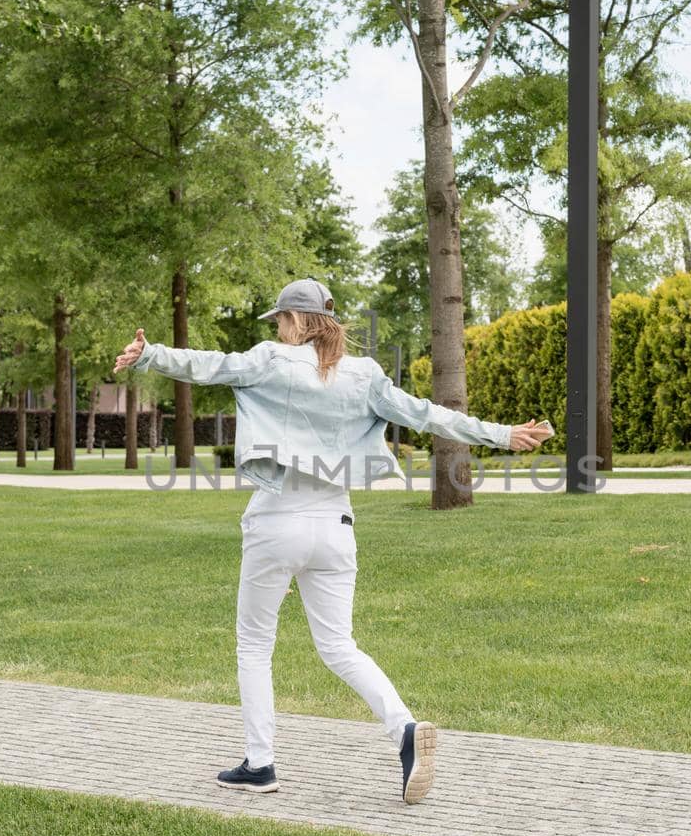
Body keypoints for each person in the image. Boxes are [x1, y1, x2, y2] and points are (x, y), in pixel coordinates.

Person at [115, 277, 552, 804]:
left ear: (296, 321)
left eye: (280, 319)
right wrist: (503, 434)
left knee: (255, 643)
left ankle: (260, 763)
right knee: (340, 646)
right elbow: (428, 415)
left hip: (277, 521)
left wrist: (148, 354)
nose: (277, 327)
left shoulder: (271, 359)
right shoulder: (364, 375)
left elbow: (209, 364)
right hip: (335, 528)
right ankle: (405, 731)